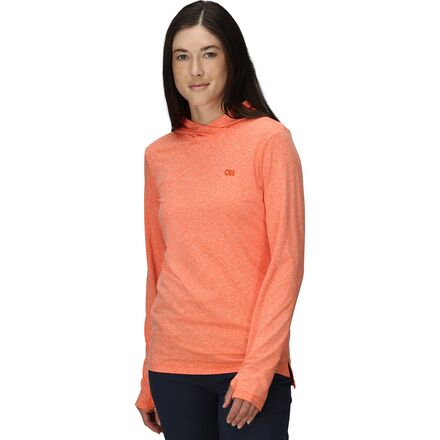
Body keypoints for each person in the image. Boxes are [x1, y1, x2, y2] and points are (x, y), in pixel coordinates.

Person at [135, 1, 305, 438]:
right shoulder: (159, 156)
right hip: (172, 367)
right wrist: (147, 374)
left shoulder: (269, 140)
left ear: (232, 58)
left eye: (209, 53)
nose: (195, 69)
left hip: (247, 367)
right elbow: (158, 269)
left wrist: (260, 370)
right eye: (182, 56)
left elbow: (286, 262)